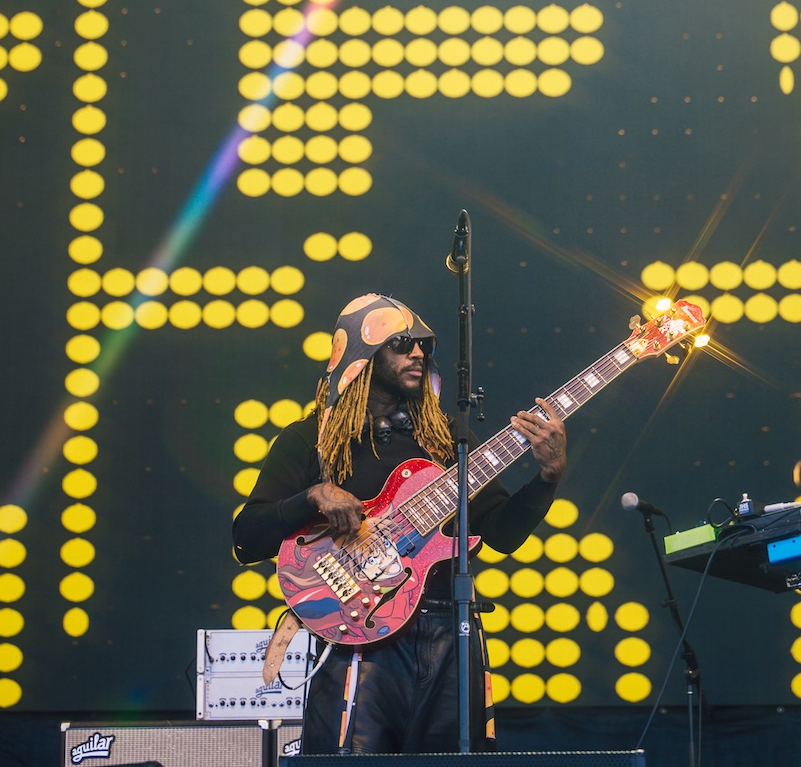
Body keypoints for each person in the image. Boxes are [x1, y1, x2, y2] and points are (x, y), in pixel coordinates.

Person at [233, 292, 567, 754]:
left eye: (423, 346)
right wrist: (312, 497)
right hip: (358, 637)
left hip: (451, 634)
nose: (418, 352)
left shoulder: (449, 439)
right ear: (362, 356)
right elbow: (247, 538)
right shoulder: (312, 439)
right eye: (402, 343)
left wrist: (547, 478)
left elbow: (503, 535)